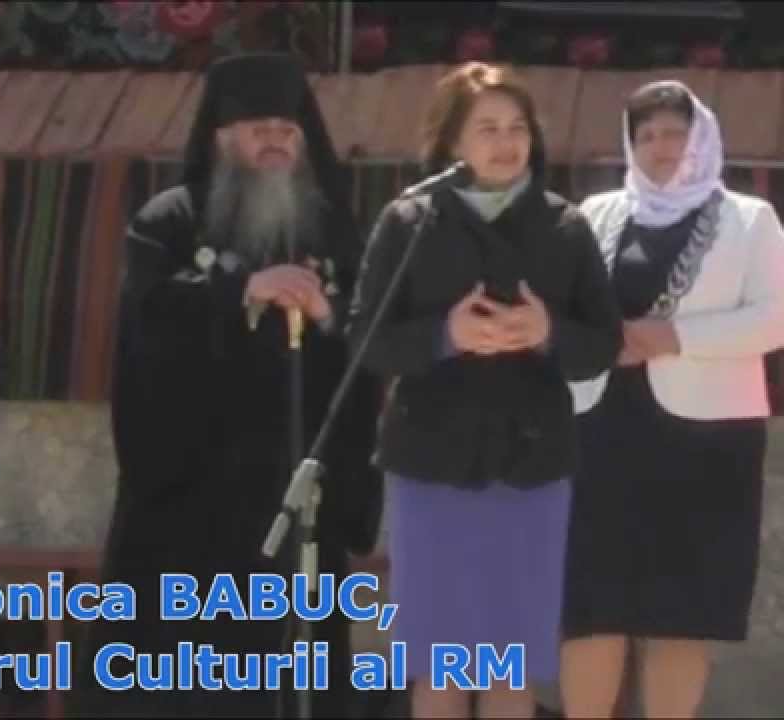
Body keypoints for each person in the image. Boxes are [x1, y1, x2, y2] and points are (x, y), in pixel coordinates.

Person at [85, 53, 385, 719]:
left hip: (296, 488)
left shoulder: (333, 228)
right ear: (221, 136)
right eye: (259, 129)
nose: (276, 141)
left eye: (287, 129)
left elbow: (368, 342)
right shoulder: (168, 222)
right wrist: (243, 289)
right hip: (192, 499)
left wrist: (328, 315)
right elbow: (147, 324)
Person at [347, 62, 621, 719]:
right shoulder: (409, 221)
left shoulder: (563, 226)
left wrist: (548, 332)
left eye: (517, 128)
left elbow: (603, 345)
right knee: (439, 665)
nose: (506, 142)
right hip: (431, 466)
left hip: (531, 469)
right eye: (488, 128)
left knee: (509, 665)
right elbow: (365, 339)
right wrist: (445, 335)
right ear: (451, 141)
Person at [560, 81, 784, 719]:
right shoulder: (596, 213)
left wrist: (676, 337)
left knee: (682, 613)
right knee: (591, 609)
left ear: (703, 137)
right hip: (601, 431)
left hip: (706, 443)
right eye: (647, 135)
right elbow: (565, 306)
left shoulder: (749, 219)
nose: (661, 146)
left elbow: (776, 317)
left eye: (675, 133)